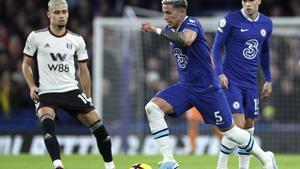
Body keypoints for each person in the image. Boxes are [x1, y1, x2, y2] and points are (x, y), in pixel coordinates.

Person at [141, 0, 277, 169]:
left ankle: (265, 158)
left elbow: (187, 40)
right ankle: (169, 160)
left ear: (181, 13)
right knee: (152, 108)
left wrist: (156, 29)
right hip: (186, 87)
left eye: (169, 13)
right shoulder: (170, 30)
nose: (165, 17)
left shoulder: (192, 23)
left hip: (208, 89)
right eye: (164, 12)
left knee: (231, 131)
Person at [21, 1, 116, 169]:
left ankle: (110, 167)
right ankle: (58, 166)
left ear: (68, 14)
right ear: (49, 14)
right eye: (57, 12)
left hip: (71, 90)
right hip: (46, 92)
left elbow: (84, 71)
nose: (61, 15)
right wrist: (31, 86)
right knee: (47, 125)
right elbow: (26, 65)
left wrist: (88, 98)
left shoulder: (77, 40)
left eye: (64, 11)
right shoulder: (36, 37)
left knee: (101, 131)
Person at [212, 0, 273, 169]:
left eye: (251, 0)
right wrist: (220, 73)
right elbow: (216, 47)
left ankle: (243, 167)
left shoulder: (266, 23)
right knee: (237, 125)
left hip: (251, 83)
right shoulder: (231, 20)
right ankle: (222, 165)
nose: (247, 4)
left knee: (248, 126)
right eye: (244, 0)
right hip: (231, 81)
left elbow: (265, 51)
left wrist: (268, 78)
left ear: (259, 1)